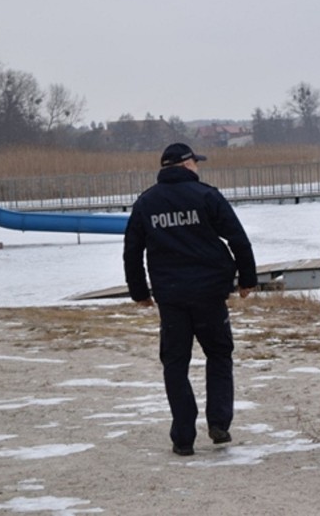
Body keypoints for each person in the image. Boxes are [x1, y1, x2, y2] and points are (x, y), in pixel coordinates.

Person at [123, 142, 257, 456]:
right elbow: (238, 238)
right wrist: (247, 280)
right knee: (220, 355)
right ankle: (219, 423)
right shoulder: (207, 196)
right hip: (210, 293)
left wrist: (139, 293)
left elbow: (132, 251)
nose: (198, 166)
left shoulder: (146, 202)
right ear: (186, 165)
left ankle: (183, 437)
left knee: (175, 363)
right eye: (195, 162)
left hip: (171, 297)